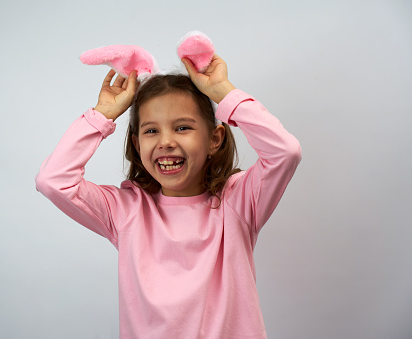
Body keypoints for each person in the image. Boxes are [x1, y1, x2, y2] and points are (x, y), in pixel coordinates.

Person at [35, 54, 302, 339]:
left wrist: (223, 91)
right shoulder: (126, 210)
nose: (166, 142)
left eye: (182, 127)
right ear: (137, 145)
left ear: (215, 139)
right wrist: (102, 114)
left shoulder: (238, 202)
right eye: (151, 130)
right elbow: (53, 180)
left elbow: (286, 152)